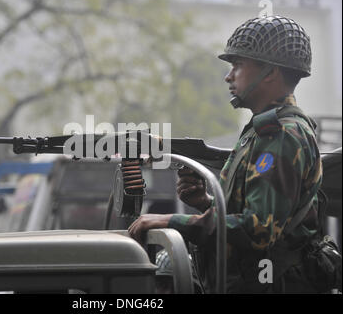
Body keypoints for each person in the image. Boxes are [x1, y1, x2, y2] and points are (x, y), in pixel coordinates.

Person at [128, 15, 326, 293]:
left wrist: (170, 221)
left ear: (269, 72)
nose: (228, 76)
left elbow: (258, 229)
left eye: (237, 65)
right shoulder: (263, 131)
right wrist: (207, 203)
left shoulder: (281, 135)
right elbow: (253, 216)